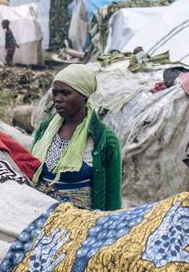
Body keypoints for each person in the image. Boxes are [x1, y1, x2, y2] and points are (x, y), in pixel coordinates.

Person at [30, 64, 122, 211]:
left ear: (83, 95)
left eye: (65, 93)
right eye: (55, 93)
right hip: (39, 215)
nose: (57, 99)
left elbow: (113, 197)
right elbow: (30, 169)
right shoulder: (45, 130)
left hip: (79, 225)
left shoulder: (104, 140)